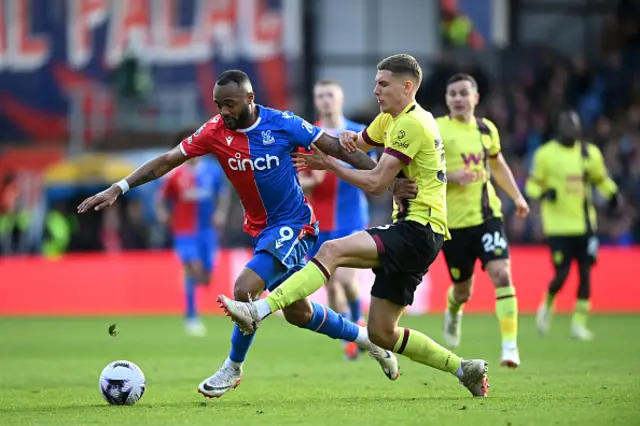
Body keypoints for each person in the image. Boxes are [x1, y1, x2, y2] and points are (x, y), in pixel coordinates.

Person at [78, 70, 411, 399]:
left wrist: (389, 180)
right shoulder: (214, 131)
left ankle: (232, 367)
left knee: (245, 288)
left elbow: (339, 148)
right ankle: (368, 340)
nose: (224, 112)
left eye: (230, 104)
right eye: (218, 104)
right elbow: (167, 161)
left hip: (296, 225)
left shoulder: (283, 123)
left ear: (250, 99)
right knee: (300, 314)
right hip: (261, 230)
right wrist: (119, 187)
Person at [218, 55, 490, 398]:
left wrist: (328, 165)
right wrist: (338, 142)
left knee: (332, 251)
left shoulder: (411, 124)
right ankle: (463, 368)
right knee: (382, 333)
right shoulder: (389, 120)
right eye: (376, 83)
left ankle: (258, 309)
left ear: (407, 87)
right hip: (420, 233)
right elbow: (356, 148)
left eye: (383, 84)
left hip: (418, 229)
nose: (375, 89)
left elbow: (375, 182)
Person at [435, 73, 529, 368]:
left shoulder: (486, 129)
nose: (459, 99)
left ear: (475, 98)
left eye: (464, 93)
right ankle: (453, 309)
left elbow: (497, 163)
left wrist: (517, 197)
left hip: (488, 216)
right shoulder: (435, 129)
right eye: (453, 94)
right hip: (453, 224)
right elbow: (420, 171)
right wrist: (452, 176)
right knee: (463, 290)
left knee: (502, 274)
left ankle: (510, 348)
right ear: (447, 99)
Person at [525, 110, 619, 341]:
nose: (571, 132)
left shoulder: (589, 153)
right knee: (562, 273)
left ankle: (579, 324)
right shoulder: (545, 154)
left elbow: (601, 179)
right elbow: (531, 185)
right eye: (567, 128)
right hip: (558, 226)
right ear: (559, 129)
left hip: (585, 225)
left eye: (574, 128)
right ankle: (547, 304)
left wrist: (613, 193)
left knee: (586, 274)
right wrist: (545, 193)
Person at [298, 79, 370, 360]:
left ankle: (357, 325)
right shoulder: (308, 135)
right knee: (331, 285)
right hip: (319, 221)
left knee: (343, 278)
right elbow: (301, 178)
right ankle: (353, 335)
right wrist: (311, 182)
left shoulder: (357, 134)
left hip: (351, 216)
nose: (325, 100)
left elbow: (371, 171)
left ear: (340, 98)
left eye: (330, 95)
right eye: (320, 96)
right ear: (316, 101)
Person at [155, 129, 230, 336]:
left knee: (205, 276)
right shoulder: (175, 174)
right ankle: (191, 316)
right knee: (192, 268)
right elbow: (161, 198)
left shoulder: (212, 170)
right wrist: (162, 214)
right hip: (184, 231)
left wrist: (221, 213)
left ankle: (192, 300)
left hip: (207, 231)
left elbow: (223, 194)